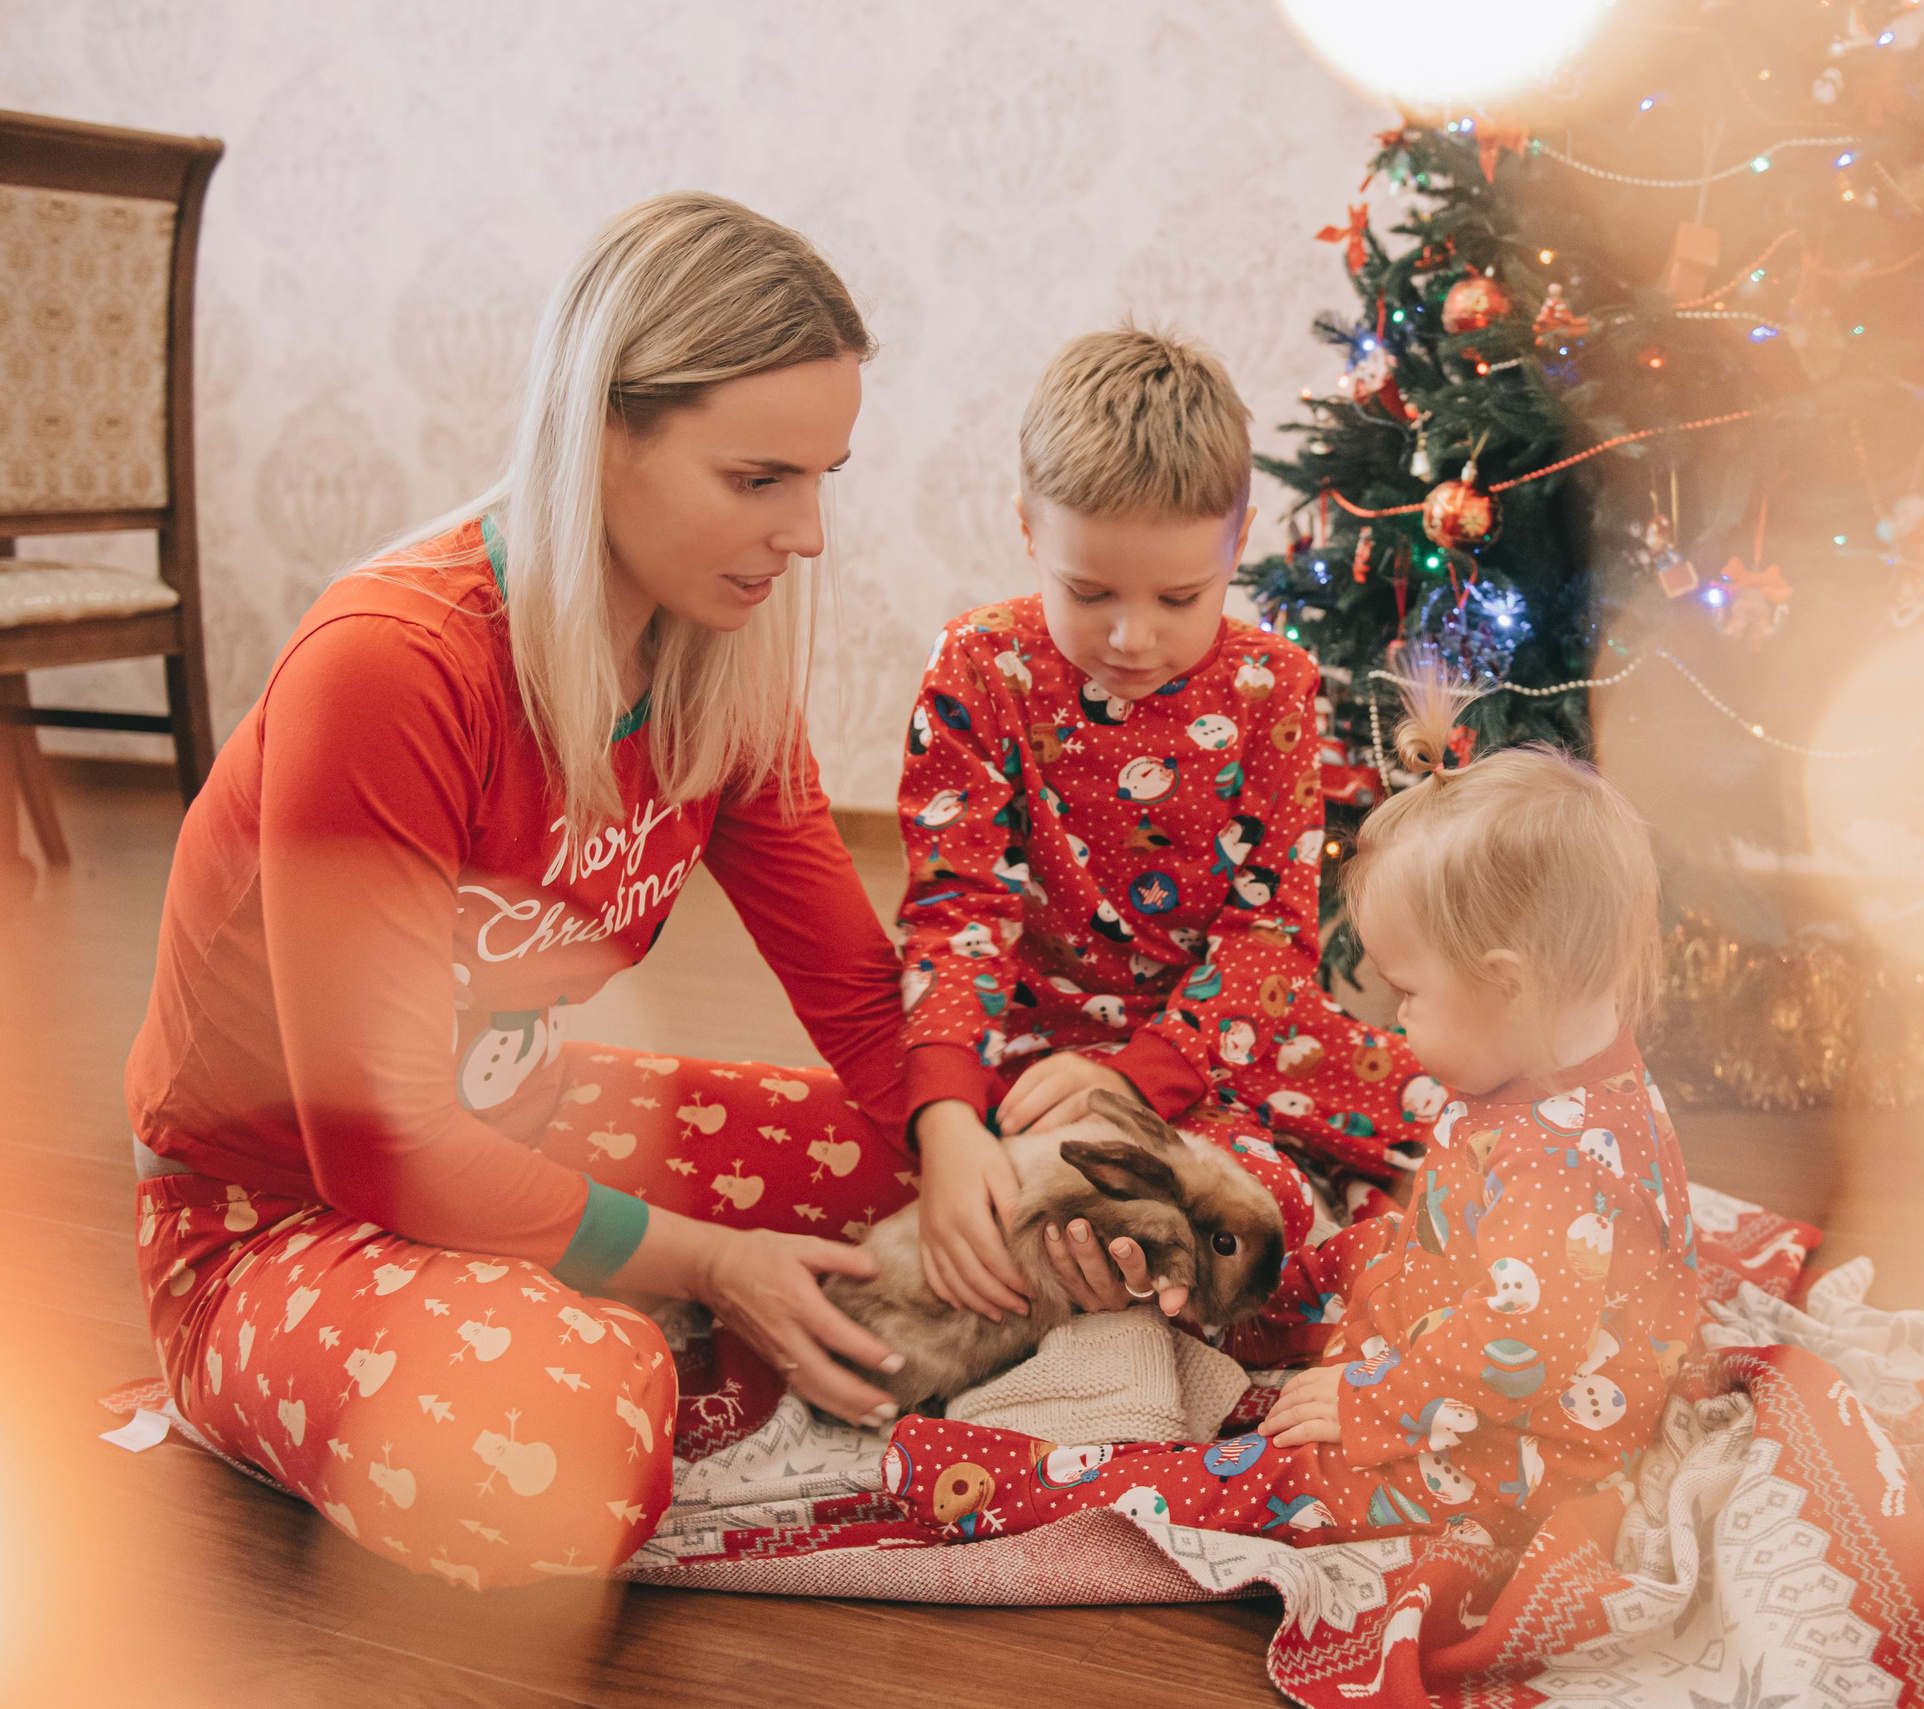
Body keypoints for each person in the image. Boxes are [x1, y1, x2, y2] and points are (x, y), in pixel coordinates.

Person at [124, 193, 1160, 1592]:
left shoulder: (713, 660)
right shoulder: (391, 665)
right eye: (758, 479)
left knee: (988, 1178)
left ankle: (597, 1324)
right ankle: (357, 1370)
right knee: (569, 1434)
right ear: (603, 431)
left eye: (822, 477)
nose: (804, 532)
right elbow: (381, 1151)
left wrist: (961, 1138)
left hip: (518, 1122)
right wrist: (712, 1265)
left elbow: (860, 997)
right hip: (280, 1211)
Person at [881, 662, 1705, 1547]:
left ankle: (1013, 1481)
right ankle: (1252, 1320)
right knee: (1335, 1269)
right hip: (1460, 1334)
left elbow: (1526, 1348)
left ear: (1506, 985)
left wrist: (1371, 1398)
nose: (1395, 1022)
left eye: (1407, 996)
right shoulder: (1547, 1075)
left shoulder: (1562, 1166)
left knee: (1269, 1482)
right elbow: (1450, 1239)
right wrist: (1322, 1283)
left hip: (1520, 1451)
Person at [893, 327, 1437, 1335]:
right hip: (1034, 1048)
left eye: (1179, 596)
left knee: (1455, 1125)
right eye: (1088, 591)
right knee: (1192, 1229)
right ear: (1026, 528)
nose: (1130, 635)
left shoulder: (1274, 687)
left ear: (1238, 541)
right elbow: (955, 906)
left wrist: (1138, 1075)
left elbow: (1267, 939)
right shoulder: (978, 667)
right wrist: (947, 1119)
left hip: (1222, 1037)